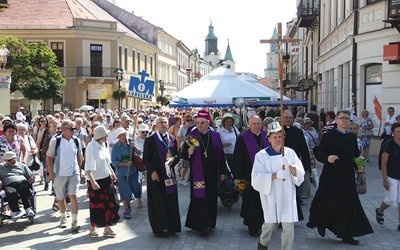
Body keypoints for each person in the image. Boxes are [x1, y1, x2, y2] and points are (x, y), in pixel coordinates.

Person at [307, 110, 373, 245]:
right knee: (331, 202)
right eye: (342, 118)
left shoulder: (351, 137)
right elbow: (319, 153)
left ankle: (347, 234)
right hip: (332, 176)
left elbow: (355, 154)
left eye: (347, 118)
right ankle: (322, 222)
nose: (344, 120)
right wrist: (327, 158)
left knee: (349, 205)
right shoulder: (329, 136)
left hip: (348, 176)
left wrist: (359, 165)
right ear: (336, 120)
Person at [252, 122, 305, 250]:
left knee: (288, 228)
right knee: (270, 225)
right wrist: (275, 175)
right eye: (274, 137)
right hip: (271, 196)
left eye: (280, 136)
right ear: (269, 139)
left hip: (287, 195)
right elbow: (256, 178)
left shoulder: (290, 153)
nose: (277, 139)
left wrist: (290, 166)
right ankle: (263, 243)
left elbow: (300, 173)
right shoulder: (261, 156)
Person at [181, 109, 227, 236]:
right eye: (198, 122)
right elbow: (184, 154)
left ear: (208, 123)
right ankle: (202, 225)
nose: (199, 125)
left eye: (202, 123)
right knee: (200, 198)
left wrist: (223, 171)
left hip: (212, 173)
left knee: (211, 197)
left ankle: (210, 223)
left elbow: (220, 155)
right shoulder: (193, 135)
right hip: (198, 174)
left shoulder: (215, 136)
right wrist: (188, 153)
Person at [142, 117, 181, 238]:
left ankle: (172, 226)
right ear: (156, 125)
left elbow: (177, 155)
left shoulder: (172, 139)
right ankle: (159, 228)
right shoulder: (151, 139)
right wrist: (152, 171)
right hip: (156, 175)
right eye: (161, 123)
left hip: (169, 175)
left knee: (170, 199)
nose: (163, 124)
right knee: (158, 200)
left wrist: (173, 160)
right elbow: (146, 158)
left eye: (165, 122)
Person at [232, 115, 269, 236]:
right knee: (250, 200)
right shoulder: (242, 138)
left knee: (261, 201)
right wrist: (237, 178)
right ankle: (253, 226)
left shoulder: (266, 136)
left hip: (264, 176)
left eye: (259, 124)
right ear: (249, 125)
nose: (257, 126)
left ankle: (262, 223)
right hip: (248, 176)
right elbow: (237, 159)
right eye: (254, 124)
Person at [46, 120, 84, 231]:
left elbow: (80, 156)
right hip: (60, 173)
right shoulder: (56, 141)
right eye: (71, 129)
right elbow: (49, 156)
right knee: (61, 197)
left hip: (73, 173)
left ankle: (74, 221)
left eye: (74, 129)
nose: (73, 131)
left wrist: (80, 169)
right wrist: (51, 172)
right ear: (64, 129)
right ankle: (63, 217)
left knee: (73, 196)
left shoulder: (76, 140)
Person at [85, 125, 119, 237]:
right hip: (95, 180)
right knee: (97, 205)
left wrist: (112, 173)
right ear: (101, 136)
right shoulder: (91, 146)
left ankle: (107, 228)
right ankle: (93, 227)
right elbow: (88, 166)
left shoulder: (103, 145)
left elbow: (106, 162)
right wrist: (93, 181)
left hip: (106, 178)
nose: (107, 136)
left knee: (111, 203)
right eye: (106, 134)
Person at [282, 110, 311, 216]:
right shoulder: (278, 132)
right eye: (285, 117)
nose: (288, 119)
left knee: (294, 191)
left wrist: (306, 166)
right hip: (280, 167)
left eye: (290, 117)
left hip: (294, 166)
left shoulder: (298, 132)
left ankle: (294, 214)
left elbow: (304, 149)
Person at [111, 127, 141, 219]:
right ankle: (127, 209)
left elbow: (140, 153)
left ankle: (137, 199)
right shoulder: (116, 147)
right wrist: (124, 164)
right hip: (121, 173)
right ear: (118, 137)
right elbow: (113, 161)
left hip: (133, 171)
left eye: (124, 135)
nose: (123, 137)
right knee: (125, 192)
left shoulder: (131, 143)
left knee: (136, 188)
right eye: (120, 135)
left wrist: (134, 148)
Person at [375, 122, 400, 232]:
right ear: (393, 132)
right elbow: (383, 163)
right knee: (391, 200)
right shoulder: (388, 144)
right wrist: (385, 179)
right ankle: (380, 211)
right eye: (398, 131)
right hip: (391, 175)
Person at [0, 151, 35, 221]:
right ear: (5, 160)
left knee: (24, 189)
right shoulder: (1, 167)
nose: (13, 161)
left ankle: (28, 208)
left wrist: (32, 178)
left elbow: (31, 175)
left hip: (22, 181)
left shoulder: (22, 165)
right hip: (9, 184)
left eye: (14, 159)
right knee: (10, 193)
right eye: (10, 160)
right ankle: (16, 211)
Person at [36, 117, 58, 191]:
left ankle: (53, 186)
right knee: (46, 169)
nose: (54, 124)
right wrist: (38, 151)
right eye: (53, 123)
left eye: (56, 123)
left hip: (56, 154)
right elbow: (39, 142)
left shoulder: (58, 133)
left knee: (54, 169)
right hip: (45, 153)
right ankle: (46, 182)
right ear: (50, 123)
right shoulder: (45, 131)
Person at [176, 114, 194, 185]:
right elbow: (178, 138)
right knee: (185, 165)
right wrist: (186, 138)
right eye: (188, 120)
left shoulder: (194, 128)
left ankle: (188, 177)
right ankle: (182, 178)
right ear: (184, 121)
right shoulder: (182, 128)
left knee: (189, 165)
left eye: (191, 120)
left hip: (192, 147)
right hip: (184, 147)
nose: (190, 122)